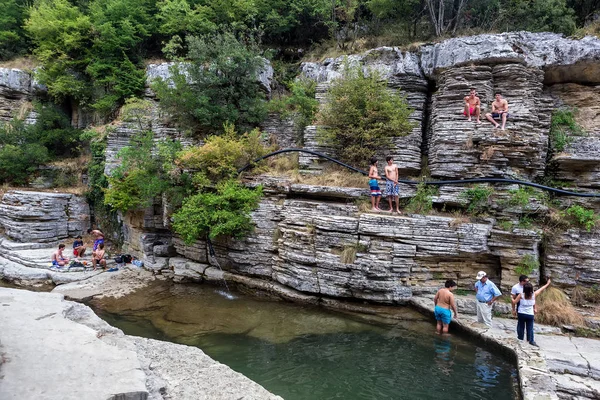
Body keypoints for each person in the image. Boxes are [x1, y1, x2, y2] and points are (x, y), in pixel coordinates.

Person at [512, 278, 551, 347]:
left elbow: (514, 302)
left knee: (521, 326)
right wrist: (547, 284)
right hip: (530, 314)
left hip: (521, 313)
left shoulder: (521, 295)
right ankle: (531, 340)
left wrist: (511, 298)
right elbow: (541, 289)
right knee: (530, 327)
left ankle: (520, 339)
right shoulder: (534, 295)